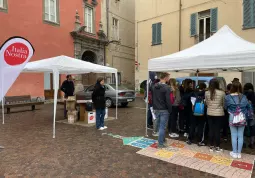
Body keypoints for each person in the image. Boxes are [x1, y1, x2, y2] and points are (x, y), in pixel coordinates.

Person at [225, 82, 251, 159]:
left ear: (232, 87)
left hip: (232, 116)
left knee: (233, 135)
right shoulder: (244, 97)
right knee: (240, 135)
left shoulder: (228, 97)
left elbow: (225, 107)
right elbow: (247, 107)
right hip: (242, 116)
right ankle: (239, 153)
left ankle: (234, 152)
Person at [152, 72, 172, 148]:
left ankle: (162, 140)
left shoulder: (154, 86)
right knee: (162, 127)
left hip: (156, 108)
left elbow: (153, 98)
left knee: (160, 126)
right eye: (168, 77)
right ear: (165, 78)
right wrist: (170, 109)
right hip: (164, 109)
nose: (169, 78)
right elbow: (168, 100)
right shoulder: (167, 87)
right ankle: (160, 144)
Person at [205, 79, 225, 152]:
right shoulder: (222, 93)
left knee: (211, 129)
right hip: (219, 113)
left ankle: (211, 146)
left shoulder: (207, 92)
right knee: (217, 130)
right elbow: (223, 103)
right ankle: (217, 147)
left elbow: (206, 103)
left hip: (209, 112)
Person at [243, 83, 255, 149]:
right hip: (252, 114)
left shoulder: (243, 95)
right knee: (252, 128)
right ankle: (252, 143)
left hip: (244, 113)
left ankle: (244, 143)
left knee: (244, 127)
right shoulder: (254, 94)